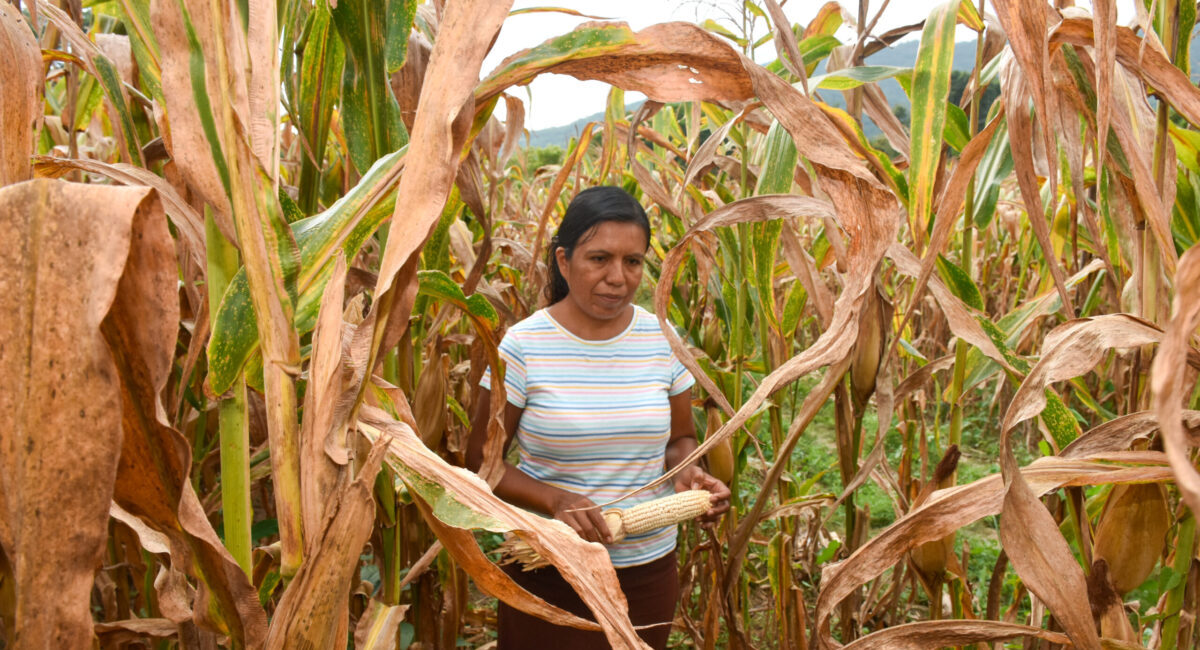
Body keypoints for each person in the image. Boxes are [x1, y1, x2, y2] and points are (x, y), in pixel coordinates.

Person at [466, 186, 731, 649]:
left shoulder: (662, 337)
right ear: (564, 261)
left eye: (633, 262)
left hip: (647, 570)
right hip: (549, 567)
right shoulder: (523, 347)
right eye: (599, 259)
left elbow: (680, 440)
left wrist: (691, 473)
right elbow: (479, 465)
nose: (618, 278)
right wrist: (555, 500)